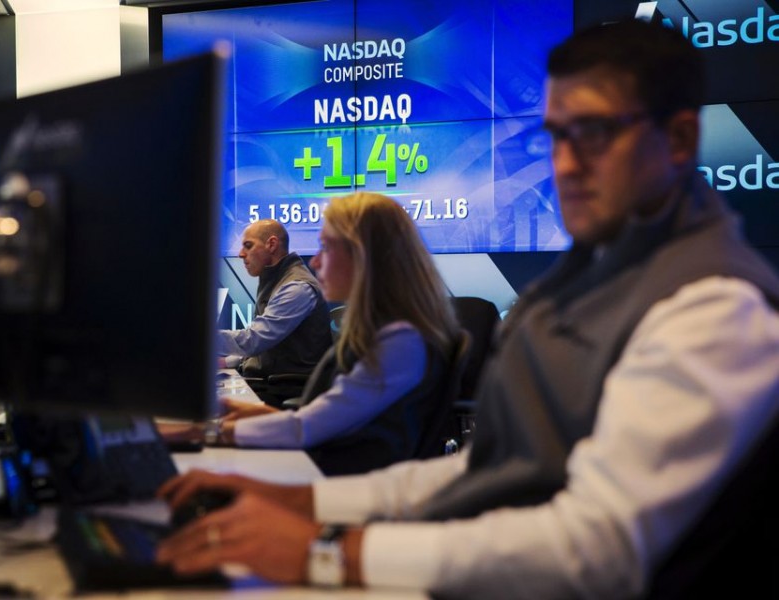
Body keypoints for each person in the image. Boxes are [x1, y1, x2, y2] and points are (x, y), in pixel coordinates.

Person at [154, 19, 779, 598]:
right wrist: (301, 505)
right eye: (555, 136)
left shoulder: (717, 309)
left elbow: (595, 547)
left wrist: (330, 551)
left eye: (594, 133)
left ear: (679, 139)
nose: (564, 164)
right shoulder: (583, 287)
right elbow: (484, 470)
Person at [171, 192, 463, 475]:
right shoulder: (383, 334)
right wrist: (226, 414)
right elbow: (319, 421)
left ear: (363, 255)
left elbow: (305, 429)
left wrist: (203, 432)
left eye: (326, 247)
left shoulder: (400, 344)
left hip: (335, 481)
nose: (316, 262)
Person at [217, 219, 333, 390]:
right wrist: (227, 361)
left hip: (282, 390)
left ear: (271, 245)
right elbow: (270, 350)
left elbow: (253, 341)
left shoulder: (297, 288)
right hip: (270, 382)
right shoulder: (276, 280)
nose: (241, 254)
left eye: (248, 246)